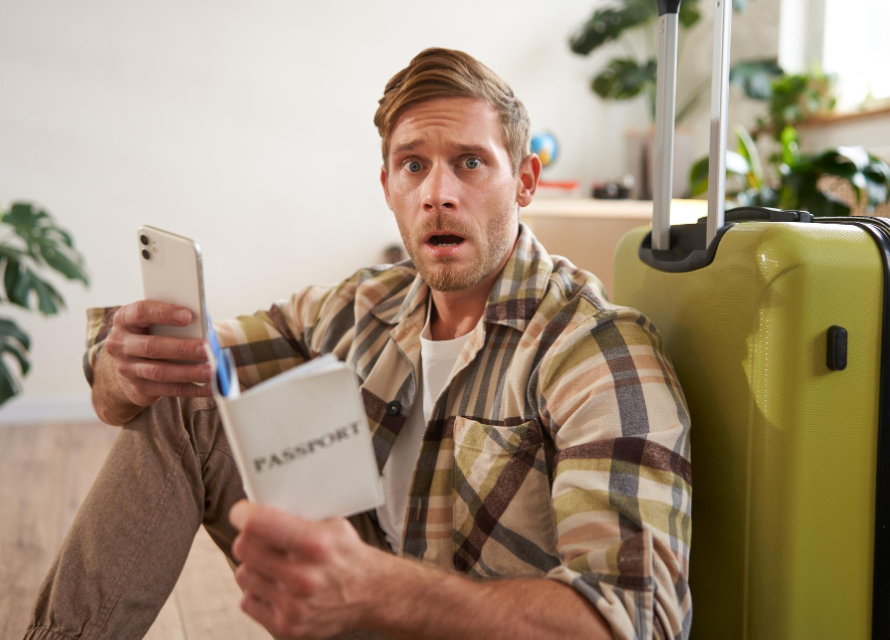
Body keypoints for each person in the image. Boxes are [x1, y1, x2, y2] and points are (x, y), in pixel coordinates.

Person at [25, 48, 692, 640]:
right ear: (388, 188)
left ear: (524, 181)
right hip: (360, 616)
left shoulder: (596, 351)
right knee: (184, 398)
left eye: (469, 163)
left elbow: (633, 621)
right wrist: (123, 371)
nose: (438, 195)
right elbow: (167, 368)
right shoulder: (363, 306)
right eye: (413, 166)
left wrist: (375, 588)